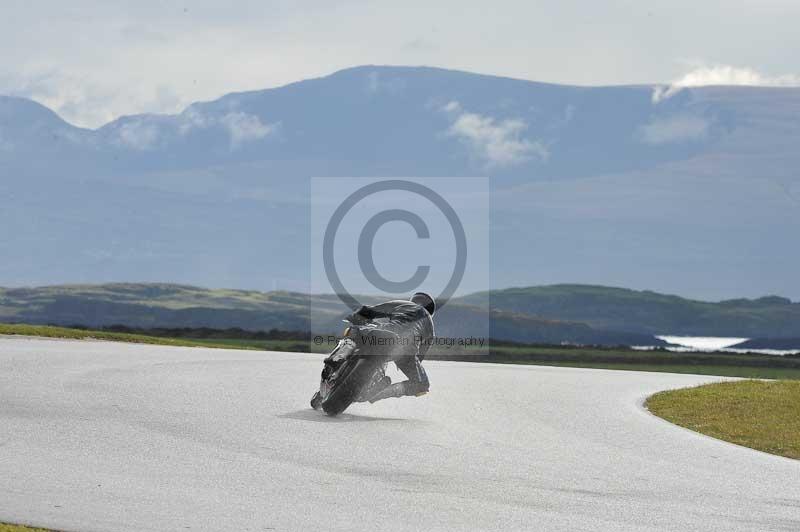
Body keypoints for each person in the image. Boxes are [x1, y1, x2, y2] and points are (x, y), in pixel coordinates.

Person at [348, 292, 435, 402]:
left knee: (355, 334)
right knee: (422, 385)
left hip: (384, 334)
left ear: (414, 300)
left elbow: (372, 310)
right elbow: (420, 355)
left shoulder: (404, 304)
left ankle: (338, 361)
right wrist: (409, 363)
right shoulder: (430, 327)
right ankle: (381, 393)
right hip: (406, 351)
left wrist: (357, 316)